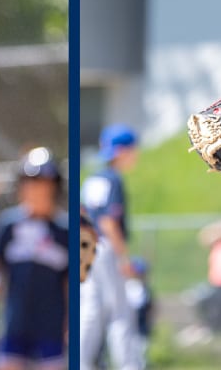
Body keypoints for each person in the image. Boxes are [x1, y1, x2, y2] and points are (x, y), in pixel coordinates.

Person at [0, 148, 72, 370]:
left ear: (54, 187)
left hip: (51, 326)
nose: (34, 188)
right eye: (29, 182)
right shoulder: (8, 224)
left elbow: (71, 282)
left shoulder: (65, 230)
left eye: (42, 182)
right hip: (15, 323)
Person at [81, 124, 142, 369]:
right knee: (120, 312)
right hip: (106, 247)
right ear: (124, 151)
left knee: (91, 309)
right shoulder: (114, 179)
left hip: (86, 244)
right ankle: (128, 365)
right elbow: (108, 221)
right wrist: (124, 257)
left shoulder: (93, 178)